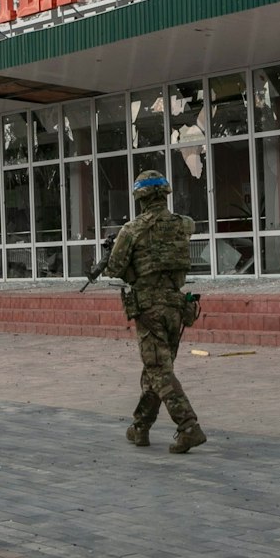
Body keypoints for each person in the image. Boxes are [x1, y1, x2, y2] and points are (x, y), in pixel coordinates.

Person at [100, 171, 206, 454]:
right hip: (176, 307)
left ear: (140, 198)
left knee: (158, 369)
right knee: (157, 369)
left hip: (149, 308)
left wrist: (111, 254)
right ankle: (140, 427)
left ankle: (188, 426)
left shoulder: (132, 230)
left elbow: (115, 268)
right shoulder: (183, 225)